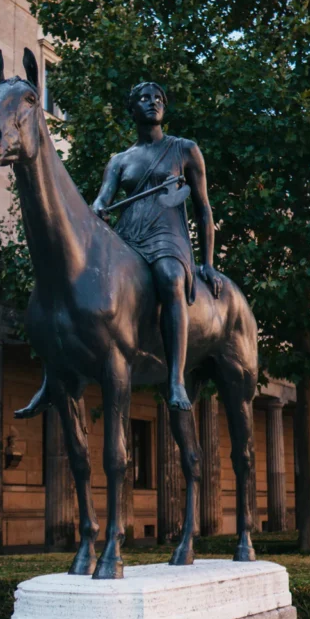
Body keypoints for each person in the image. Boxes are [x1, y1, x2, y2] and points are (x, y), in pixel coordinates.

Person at [91, 81, 223, 410]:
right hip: (129, 237)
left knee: (169, 277)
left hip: (168, 235)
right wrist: (97, 209)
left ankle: (176, 379)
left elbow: (203, 210)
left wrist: (207, 262)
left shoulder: (184, 149)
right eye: (144, 98)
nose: (154, 103)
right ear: (131, 109)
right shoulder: (119, 160)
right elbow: (103, 200)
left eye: (159, 98)